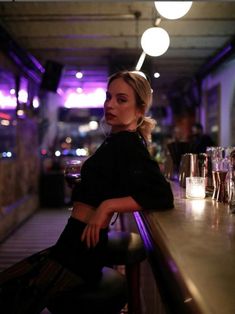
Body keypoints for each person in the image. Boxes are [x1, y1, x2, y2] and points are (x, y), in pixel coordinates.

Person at [0, 70, 174, 313]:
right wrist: (86, 186)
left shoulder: (128, 144)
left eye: (121, 99)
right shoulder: (116, 139)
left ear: (139, 109)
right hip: (72, 245)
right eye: (108, 97)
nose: (110, 104)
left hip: (81, 253)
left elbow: (162, 195)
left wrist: (107, 207)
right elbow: (112, 181)